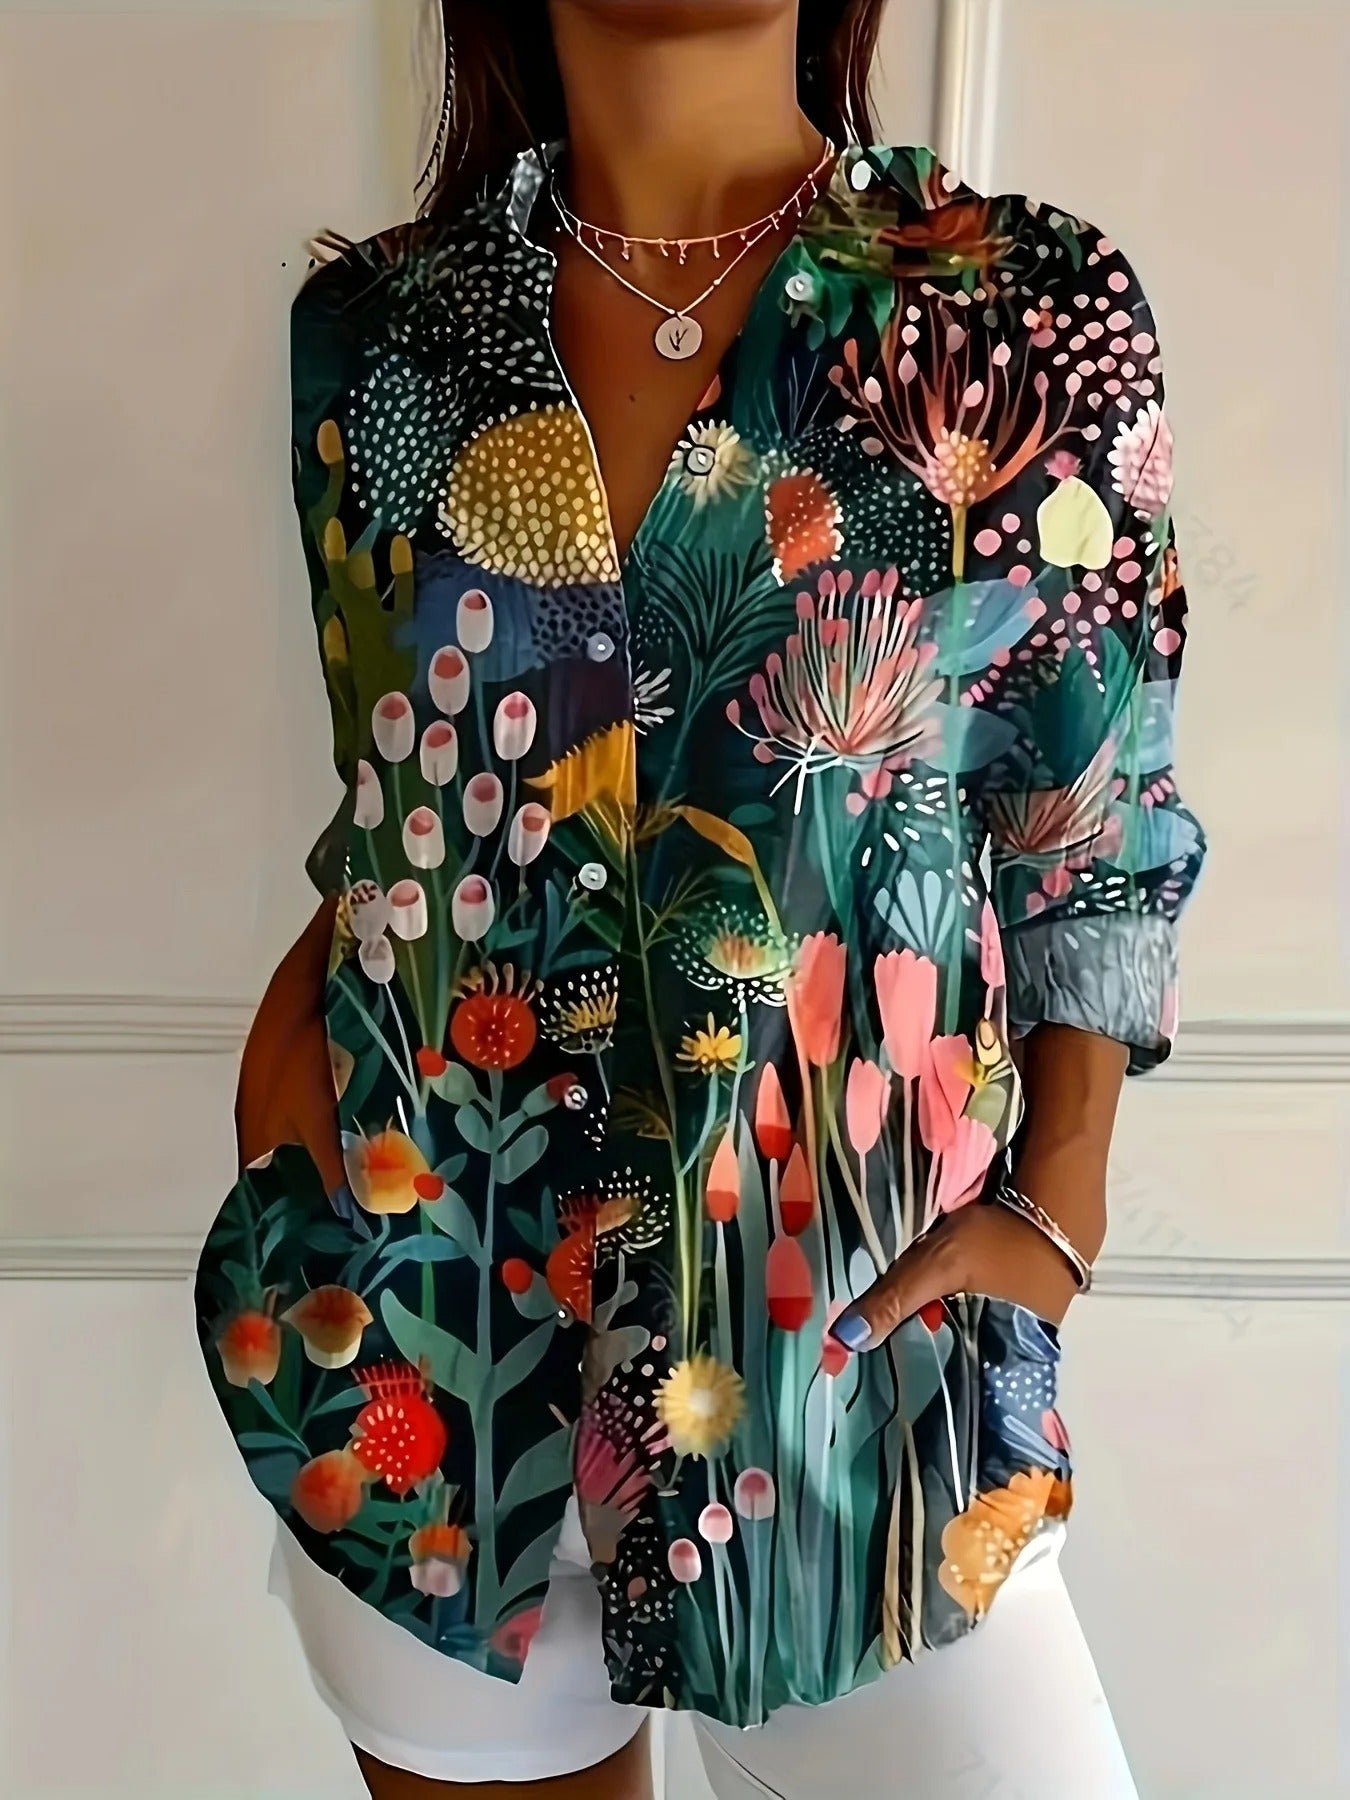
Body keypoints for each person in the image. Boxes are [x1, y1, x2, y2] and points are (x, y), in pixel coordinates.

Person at [192, 2, 1208, 1796]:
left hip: (853, 1389)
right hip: (429, 1356)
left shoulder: (1010, 307)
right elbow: (399, 788)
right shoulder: (373, 336)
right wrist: (288, 1094)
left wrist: (1059, 1197)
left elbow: (1094, 816)